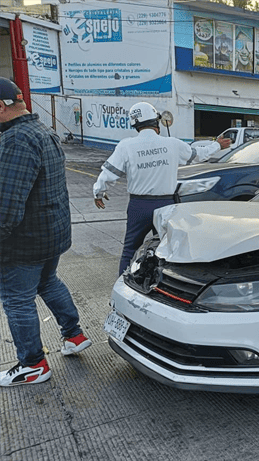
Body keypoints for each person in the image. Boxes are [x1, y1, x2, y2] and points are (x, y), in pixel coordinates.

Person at [0, 77, 91, 387]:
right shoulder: (44, 131)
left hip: (23, 244)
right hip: (52, 236)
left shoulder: (15, 140)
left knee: (17, 300)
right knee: (48, 282)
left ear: (1, 107)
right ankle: (74, 336)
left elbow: (6, 206)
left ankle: (33, 365)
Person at [93, 102, 231, 275]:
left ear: (135, 124)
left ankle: (123, 287)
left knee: (130, 250)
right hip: (166, 205)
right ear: (156, 121)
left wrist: (99, 192)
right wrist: (217, 145)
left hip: (138, 205)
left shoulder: (126, 146)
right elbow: (198, 155)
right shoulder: (173, 144)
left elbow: (108, 173)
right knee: (167, 250)